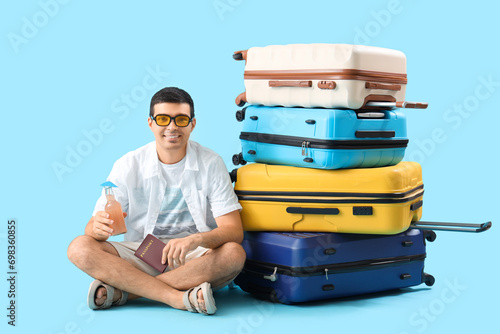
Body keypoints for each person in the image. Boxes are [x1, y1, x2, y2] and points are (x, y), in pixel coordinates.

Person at [67, 87, 246, 315]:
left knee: (233, 253)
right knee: (79, 247)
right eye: (163, 119)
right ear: (151, 123)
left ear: (192, 124)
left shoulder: (211, 163)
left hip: (195, 258)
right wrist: (99, 229)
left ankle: (127, 292)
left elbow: (234, 230)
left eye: (181, 119)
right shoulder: (128, 164)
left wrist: (194, 240)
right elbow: (91, 228)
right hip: (143, 255)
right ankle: (177, 297)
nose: (172, 127)